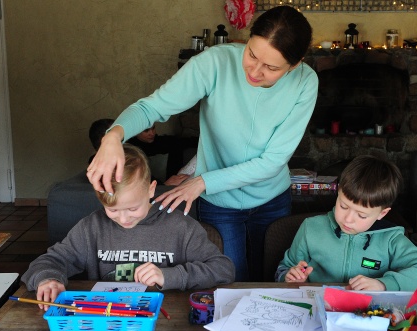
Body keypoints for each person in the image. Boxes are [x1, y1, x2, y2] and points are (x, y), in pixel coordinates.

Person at [87, 6, 319, 281]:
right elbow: (151, 108)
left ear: (295, 64)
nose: (255, 71)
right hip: (220, 203)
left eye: (270, 67)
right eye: (252, 54)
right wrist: (113, 136)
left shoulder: (305, 82)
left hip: (271, 199)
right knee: (227, 284)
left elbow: (272, 161)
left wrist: (200, 182)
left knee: (272, 283)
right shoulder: (215, 63)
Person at [21, 144, 235, 309]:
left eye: (132, 209)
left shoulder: (181, 228)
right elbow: (51, 260)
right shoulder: (91, 227)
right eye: (112, 210)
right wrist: (48, 278)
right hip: (105, 320)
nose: (123, 219)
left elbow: (223, 269)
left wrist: (169, 276)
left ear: (151, 190)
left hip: (166, 320)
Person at [276, 155, 417, 291]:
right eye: (343, 206)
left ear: (382, 213)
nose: (348, 219)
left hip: (365, 312)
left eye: (362, 216)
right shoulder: (310, 228)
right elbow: (284, 269)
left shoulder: (390, 239)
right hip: (316, 307)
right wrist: (290, 277)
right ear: (338, 191)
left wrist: (384, 284)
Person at [126, 124, 198, 184]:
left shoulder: (160, 141)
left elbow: (183, 141)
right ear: (136, 132)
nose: (152, 133)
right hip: (155, 188)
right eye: (146, 131)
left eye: (153, 128)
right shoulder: (132, 151)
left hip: (177, 179)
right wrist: (165, 185)